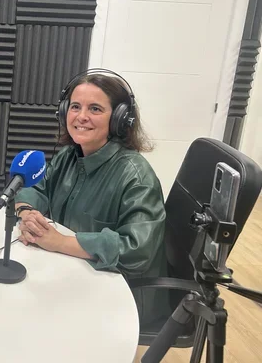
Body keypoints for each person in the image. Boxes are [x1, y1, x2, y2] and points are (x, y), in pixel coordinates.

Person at [15, 69, 167, 325]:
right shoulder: (69, 156)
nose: (81, 116)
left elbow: (138, 249)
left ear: (119, 119)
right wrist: (27, 212)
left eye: (95, 109)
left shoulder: (136, 176)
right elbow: (37, 187)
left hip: (121, 296)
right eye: (75, 106)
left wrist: (60, 242)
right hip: (75, 274)